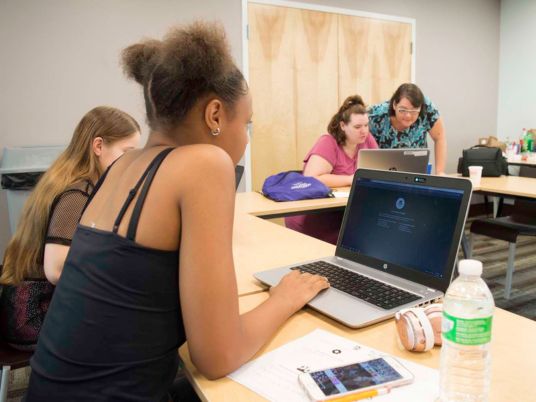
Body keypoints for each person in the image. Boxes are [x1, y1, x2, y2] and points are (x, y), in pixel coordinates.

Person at [25, 22, 329, 401]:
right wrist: (284, 298)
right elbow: (218, 356)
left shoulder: (124, 165)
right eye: (246, 122)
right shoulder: (205, 163)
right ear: (215, 115)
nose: (247, 137)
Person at [0, 106, 141, 351]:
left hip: (25, 304)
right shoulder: (76, 193)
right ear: (98, 146)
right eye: (127, 152)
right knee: (132, 318)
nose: (130, 162)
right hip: (33, 315)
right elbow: (56, 270)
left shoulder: (70, 178)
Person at [285, 95, 378, 244]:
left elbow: (378, 169)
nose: (364, 131)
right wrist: (351, 179)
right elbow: (311, 178)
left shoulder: (367, 140)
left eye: (366, 125)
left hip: (345, 212)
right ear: (343, 126)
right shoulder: (328, 142)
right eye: (357, 127)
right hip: (315, 217)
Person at [368, 83, 446, 175]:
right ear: (394, 105)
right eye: (403, 110)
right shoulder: (376, 115)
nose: (408, 116)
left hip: (417, 172)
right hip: (383, 173)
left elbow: (439, 137)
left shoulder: (427, 108)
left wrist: (440, 172)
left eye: (413, 111)